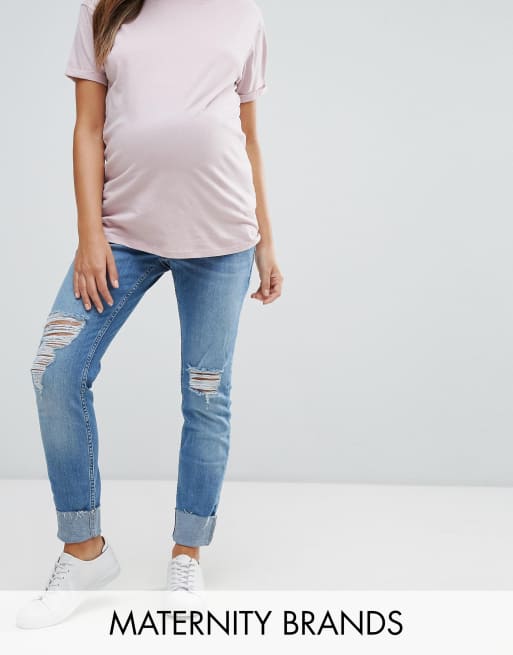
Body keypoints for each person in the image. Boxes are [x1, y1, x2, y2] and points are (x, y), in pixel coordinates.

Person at [16, 0, 283, 630]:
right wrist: (90, 235)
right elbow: (87, 127)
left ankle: (187, 553)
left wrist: (267, 240)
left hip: (222, 237)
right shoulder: (103, 8)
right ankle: (84, 550)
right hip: (123, 234)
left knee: (205, 394)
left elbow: (247, 136)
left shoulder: (243, 15)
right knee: (55, 370)